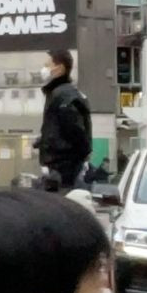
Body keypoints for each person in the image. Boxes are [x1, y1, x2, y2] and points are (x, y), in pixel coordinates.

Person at [36, 49, 92, 192]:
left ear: (60, 68)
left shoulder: (63, 96)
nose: (44, 69)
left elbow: (74, 130)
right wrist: (43, 141)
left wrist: (78, 153)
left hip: (63, 170)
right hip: (61, 168)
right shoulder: (59, 93)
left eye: (47, 65)